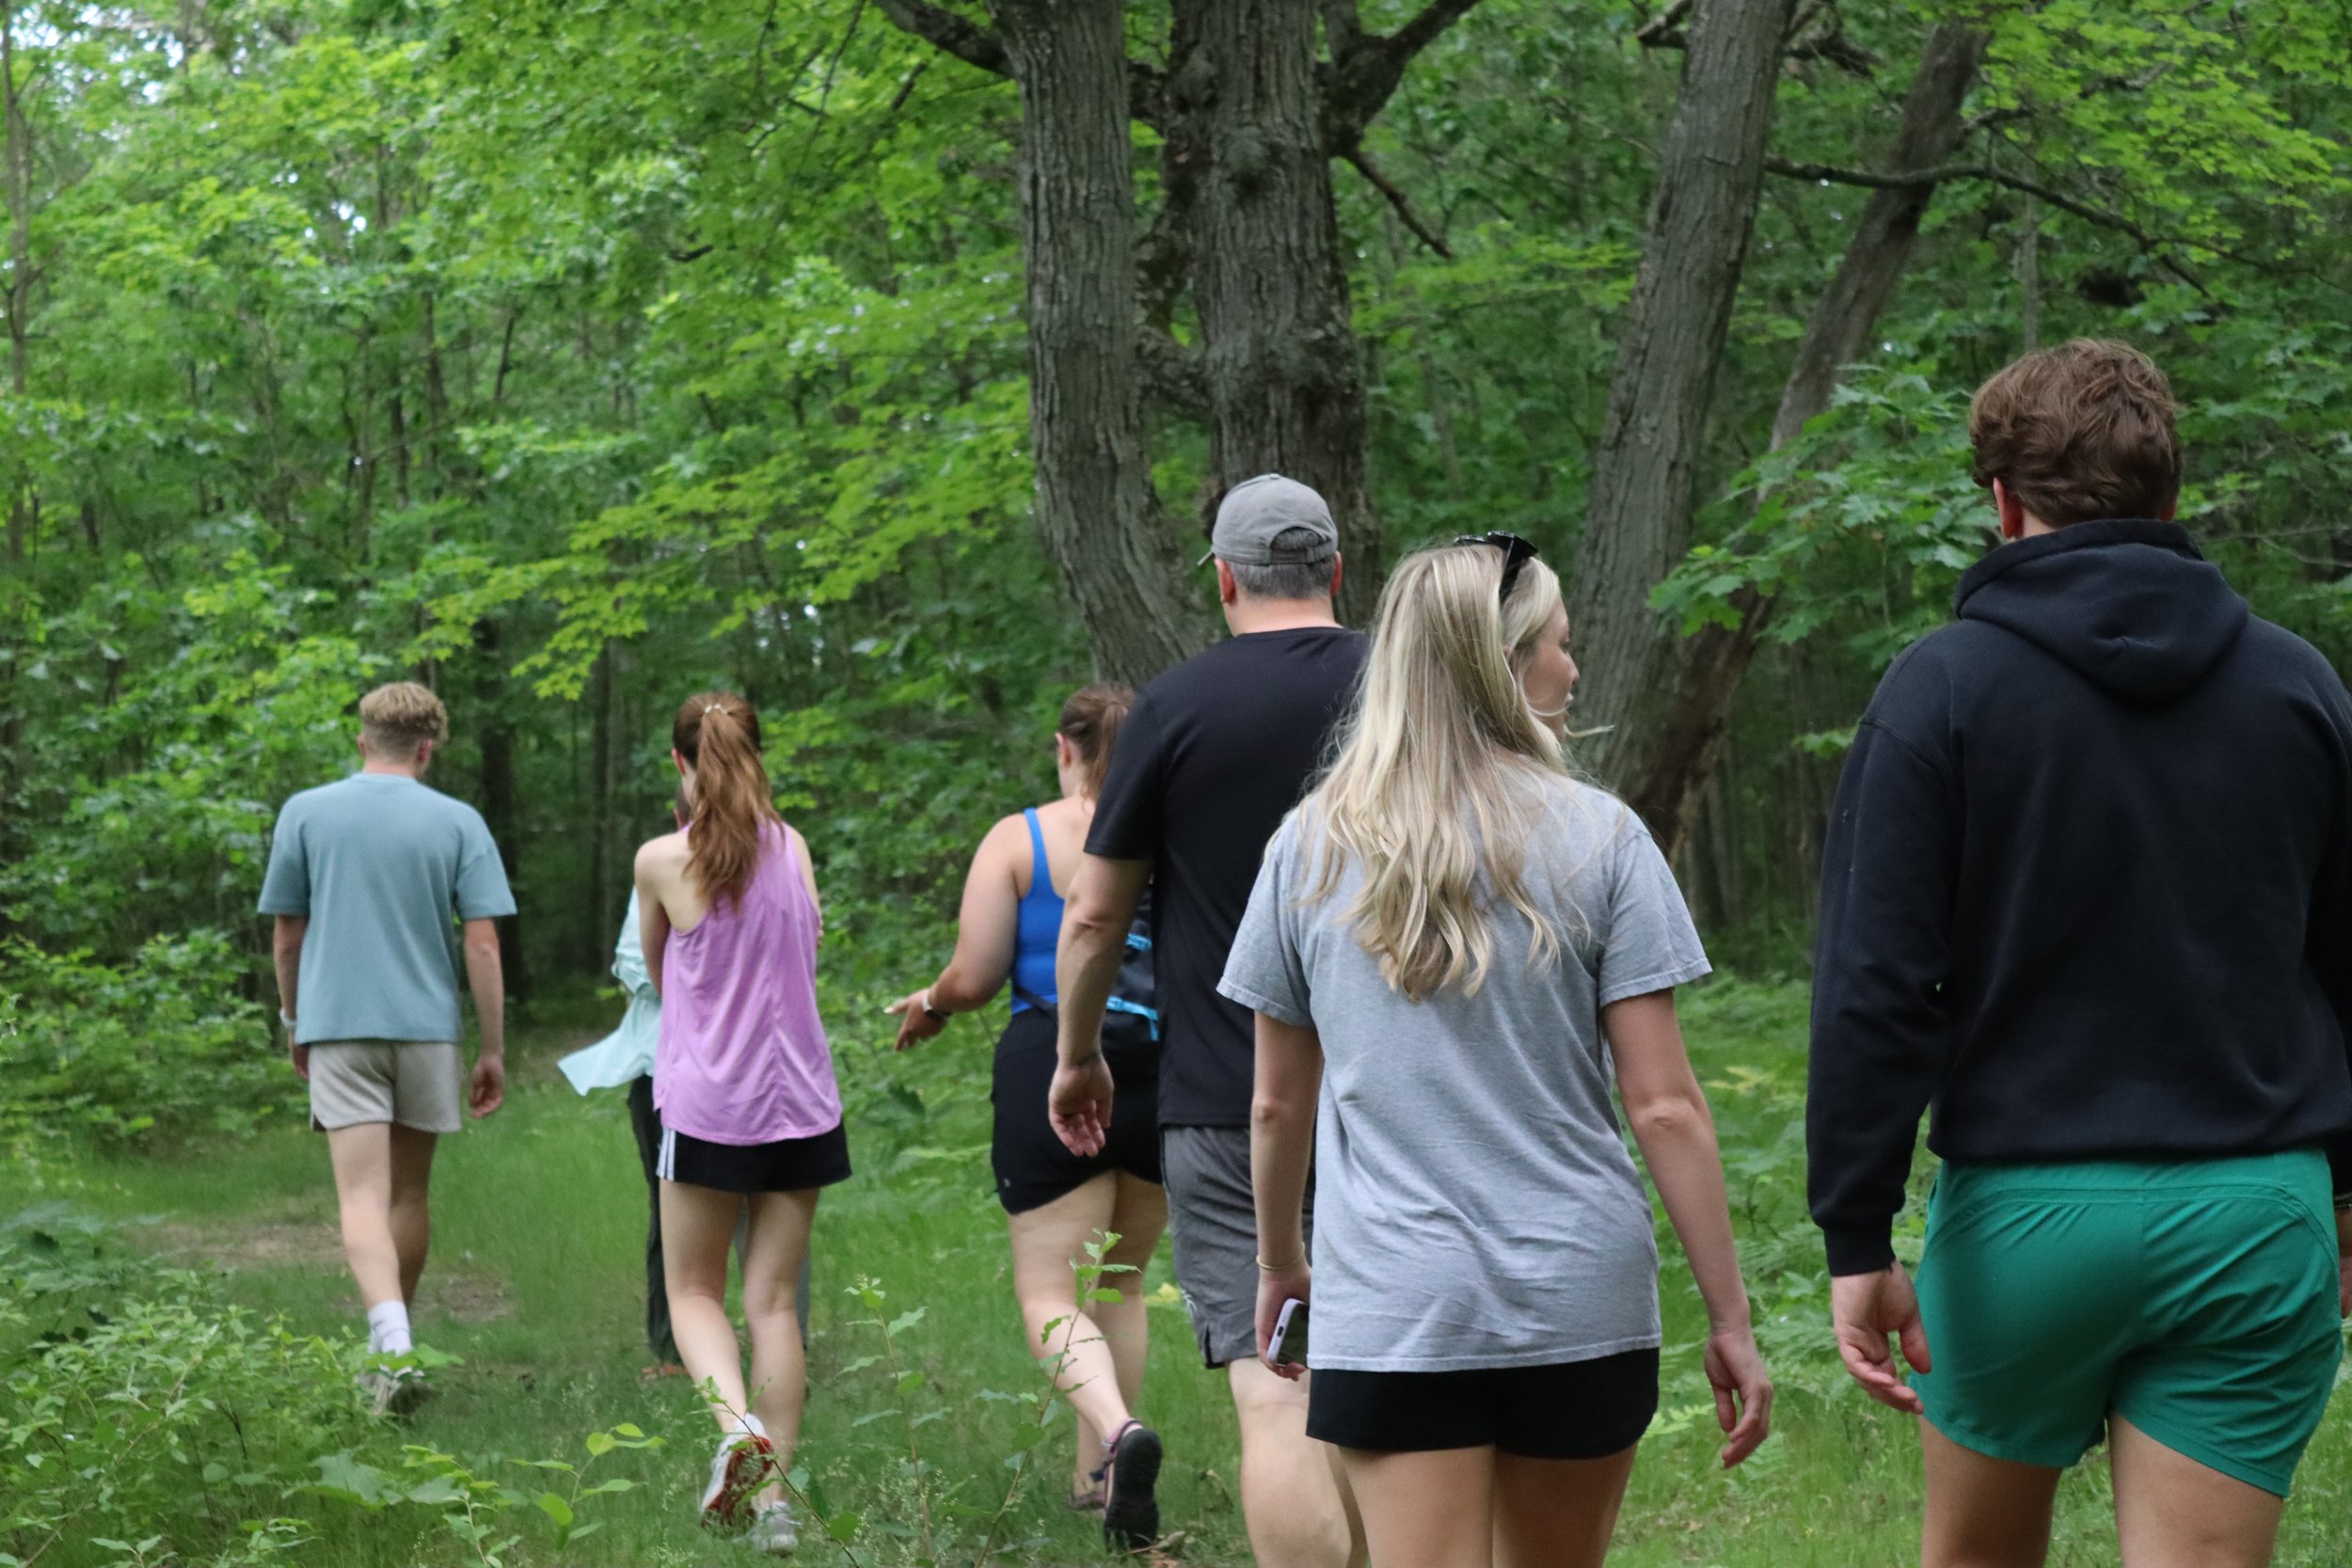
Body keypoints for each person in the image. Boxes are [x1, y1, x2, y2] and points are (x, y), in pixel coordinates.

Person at [1808, 339, 2352, 1568]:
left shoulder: (1938, 689)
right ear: (2173, 497)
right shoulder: (2299, 687)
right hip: (2256, 1205)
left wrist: (1856, 1232)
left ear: (2002, 502)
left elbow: (1876, 989)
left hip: (2025, 1221)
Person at [1224, 539, 1772, 1568]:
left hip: (1394, 1304)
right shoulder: (1603, 839)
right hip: (1579, 1297)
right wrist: (1729, 1314)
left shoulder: (1307, 846)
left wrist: (1280, 1265)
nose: (1572, 669)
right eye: (1559, 645)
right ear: (1503, 662)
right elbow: (1664, 1106)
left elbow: (1273, 1107)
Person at [1050, 474, 1371, 1568]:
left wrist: (1078, 1053)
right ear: (1335, 568)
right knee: (1399, 1388)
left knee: (1276, 1386)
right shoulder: (1413, 689)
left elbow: (1094, 915)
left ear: (1224, 578)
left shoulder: (1174, 709)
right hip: (1411, 1093)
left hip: (1232, 1105)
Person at [885, 685, 1168, 1547]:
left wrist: (930, 1001)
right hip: (1161, 1070)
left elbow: (973, 975)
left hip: (1056, 1063)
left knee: (1049, 1288)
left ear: (1064, 749)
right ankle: (1101, 1479)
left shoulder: (1021, 839)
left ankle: (1117, 1437)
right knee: (1118, 1279)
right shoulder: (1170, 833)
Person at [258, 681, 515, 1415]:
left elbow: (287, 934)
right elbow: (484, 941)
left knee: (360, 1194)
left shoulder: (306, 812)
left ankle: (391, 1346)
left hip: (339, 1025)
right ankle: (394, 1353)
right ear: (427, 748)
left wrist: (294, 1017)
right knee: (407, 1192)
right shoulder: (459, 821)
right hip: (428, 1029)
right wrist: (490, 1048)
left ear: (362, 739)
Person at [636, 691, 850, 1554]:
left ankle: (737, 1430)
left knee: (694, 1291)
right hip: (801, 1105)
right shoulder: (793, 848)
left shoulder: (662, 858)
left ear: (682, 764)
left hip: (709, 1108)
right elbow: (809, 945)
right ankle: (775, 1507)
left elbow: (659, 971)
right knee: (772, 1304)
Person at [559, 796, 690, 1379]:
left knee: (755, 1205)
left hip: (718, 1069)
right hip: (663, 1067)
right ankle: (671, 1349)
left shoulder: (777, 861)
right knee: (672, 1204)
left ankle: (784, 1341)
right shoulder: (663, 866)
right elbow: (635, 965)